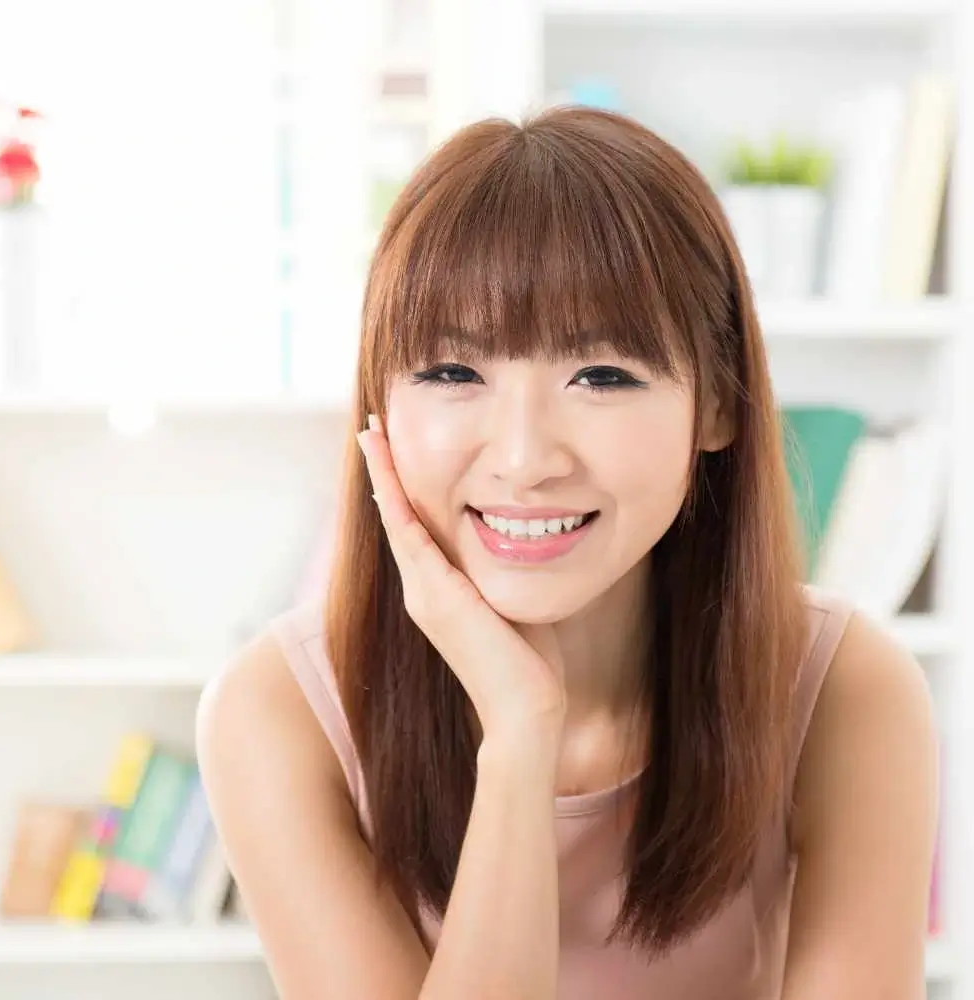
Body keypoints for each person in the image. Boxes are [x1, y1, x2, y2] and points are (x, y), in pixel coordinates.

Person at [196, 106, 938, 1000]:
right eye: (453, 373)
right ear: (379, 408)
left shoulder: (844, 687)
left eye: (602, 377)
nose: (522, 459)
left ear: (718, 406)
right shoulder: (278, 711)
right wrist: (518, 737)